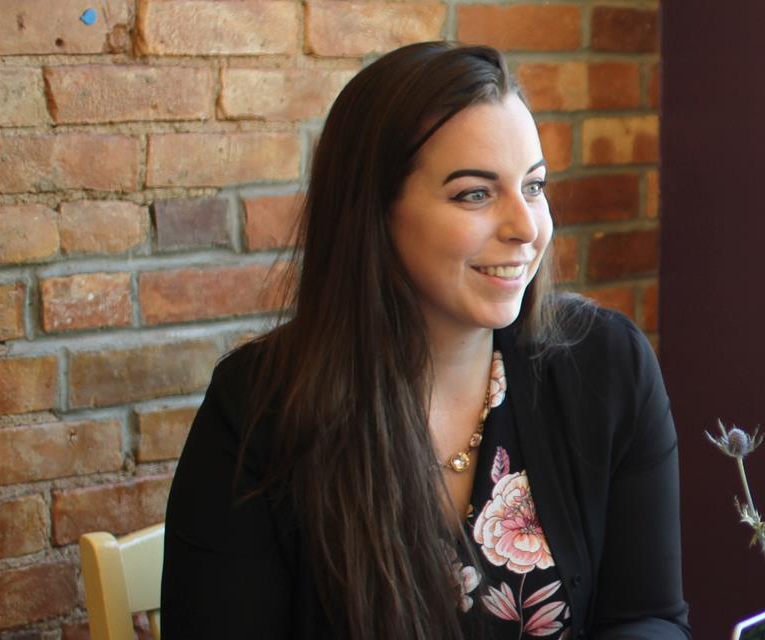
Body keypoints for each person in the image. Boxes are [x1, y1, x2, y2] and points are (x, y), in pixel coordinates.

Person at [162, 42, 690, 638]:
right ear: (375, 214)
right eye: (475, 193)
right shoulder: (258, 411)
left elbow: (648, 616)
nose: (526, 227)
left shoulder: (605, 364)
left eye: (535, 186)